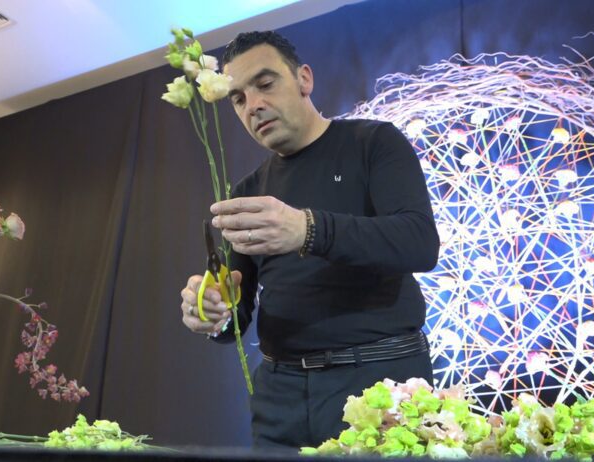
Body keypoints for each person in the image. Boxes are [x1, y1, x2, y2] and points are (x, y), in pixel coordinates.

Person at [179, 31, 440, 451]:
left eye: (265, 84)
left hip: (380, 380)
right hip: (280, 396)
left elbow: (419, 243)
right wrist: (214, 312)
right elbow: (236, 315)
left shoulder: (374, 143)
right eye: (239, 99)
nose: (253, 105)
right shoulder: (247, 191)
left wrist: (307, 229)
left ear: (304, 78)